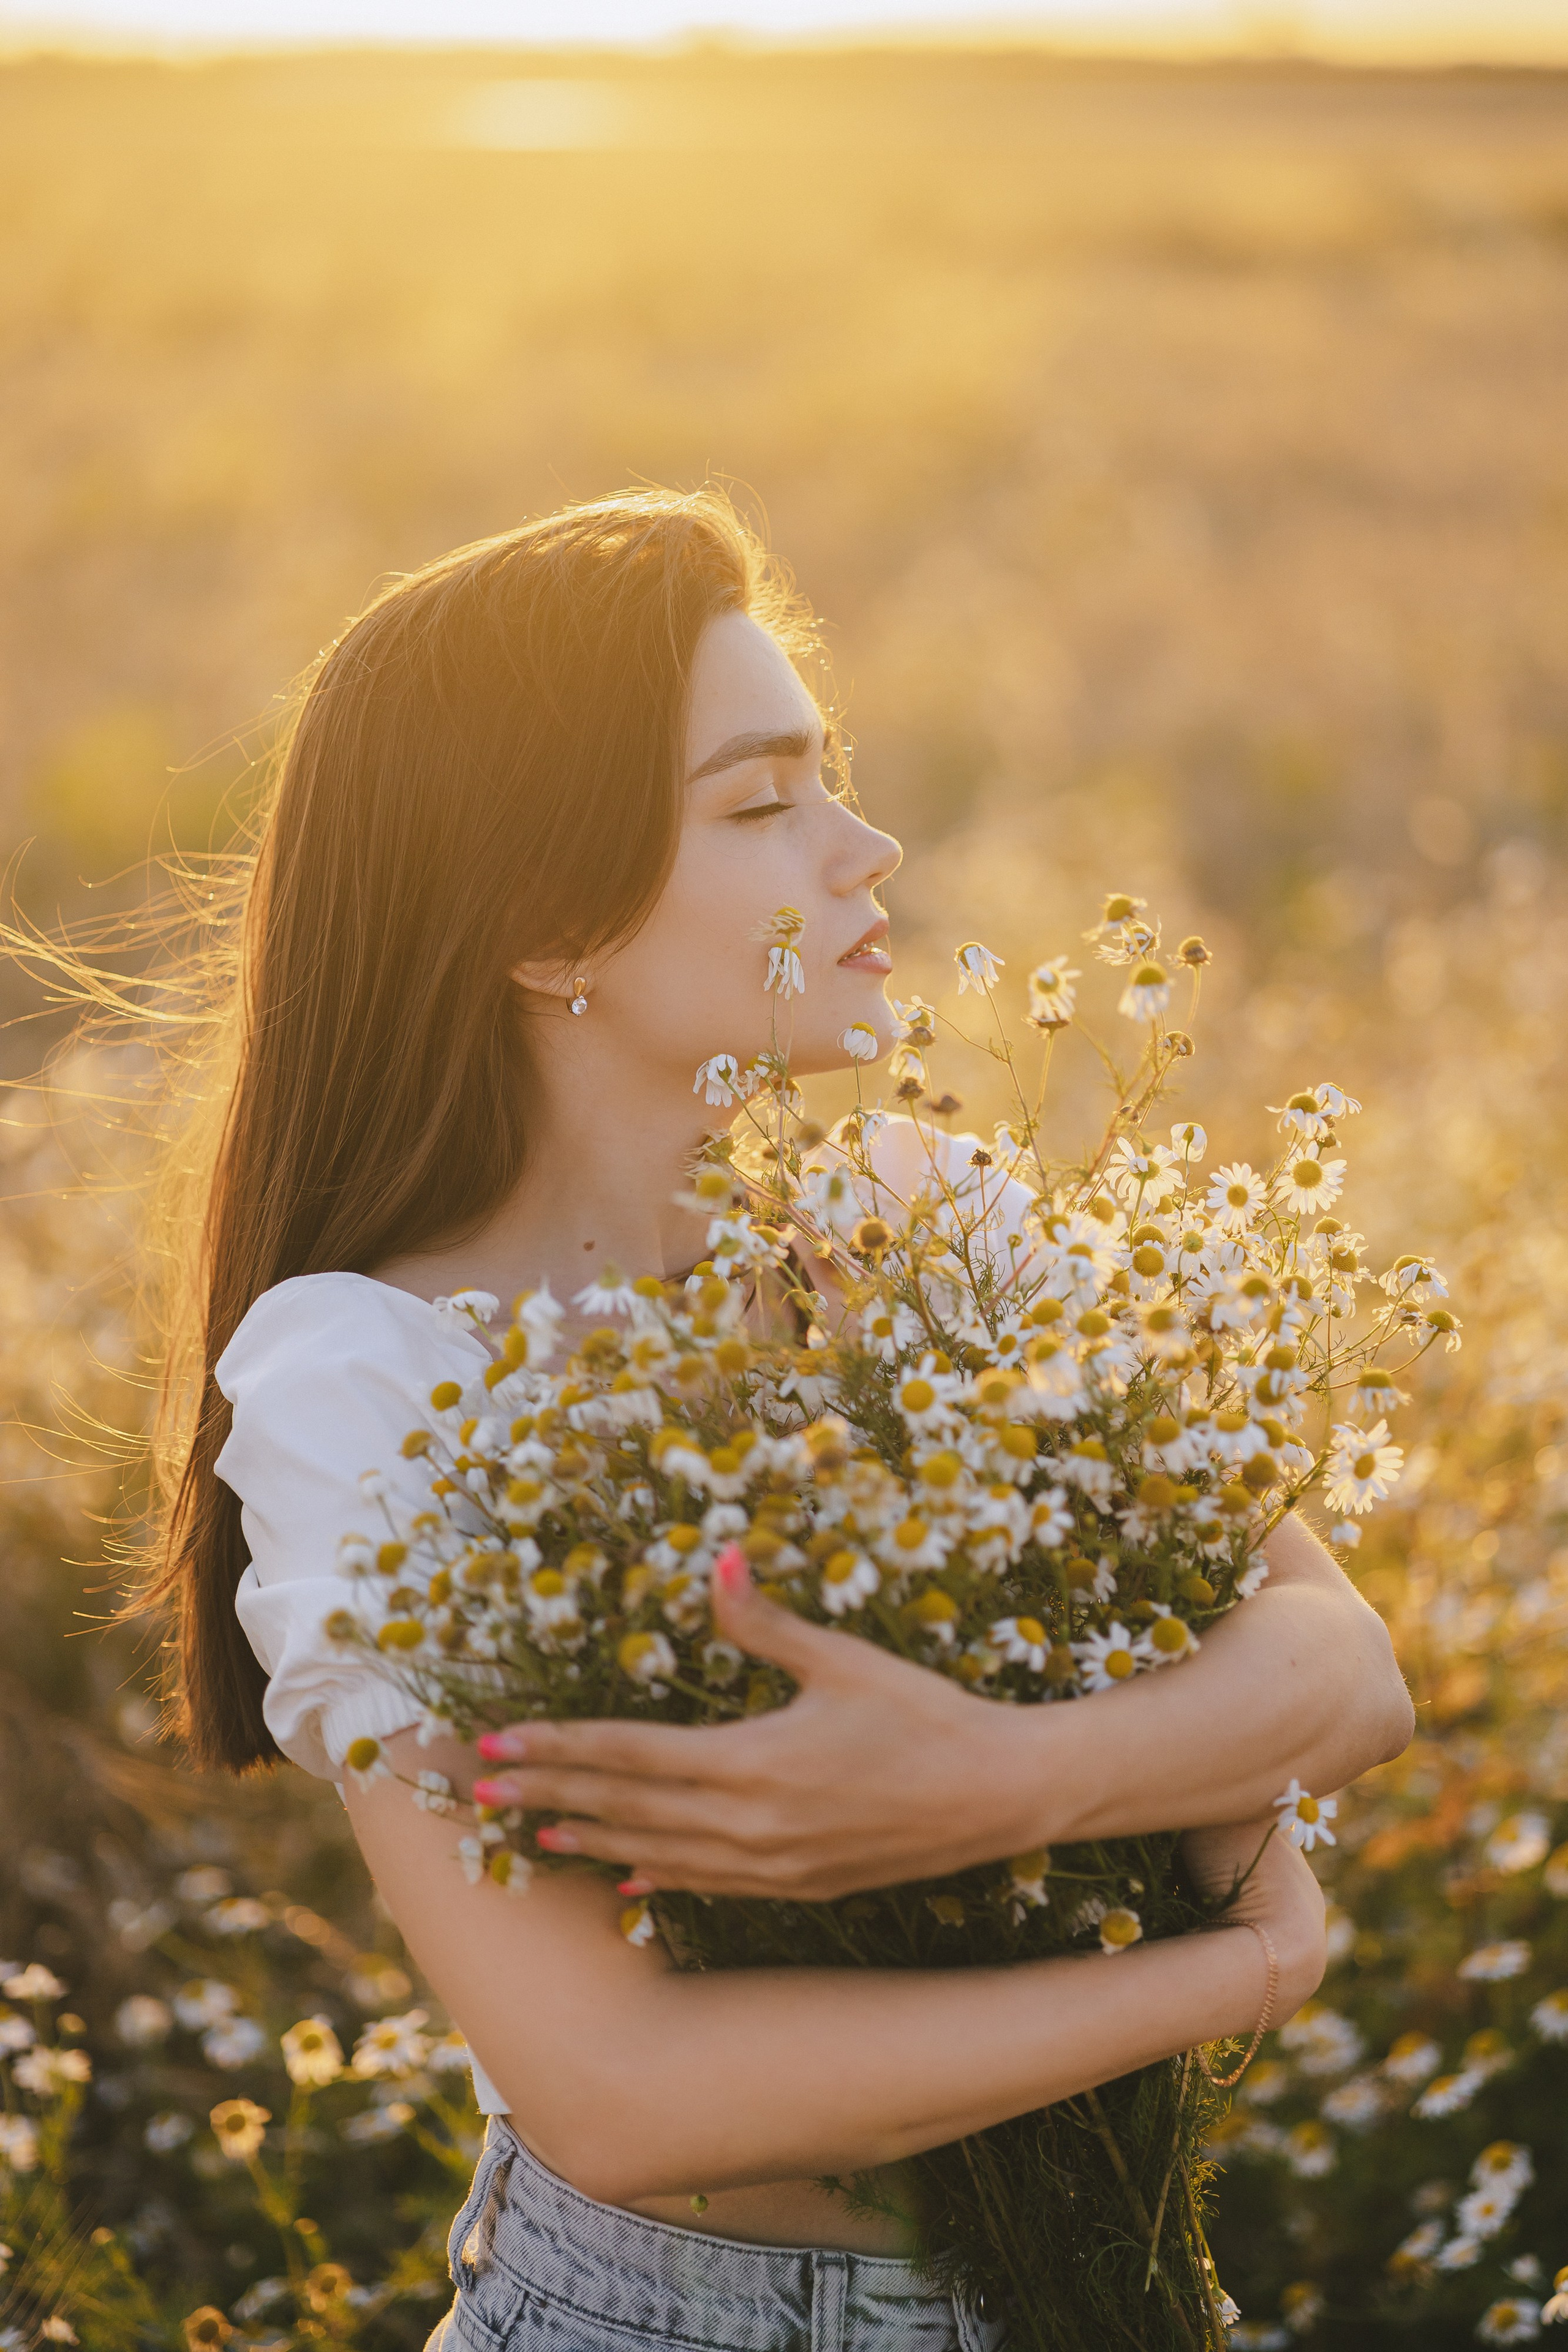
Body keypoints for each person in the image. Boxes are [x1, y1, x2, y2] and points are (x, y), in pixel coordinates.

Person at [163, 489, 1411, 2351]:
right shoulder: (373, 1378)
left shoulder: (914, 1214)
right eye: (763, 805)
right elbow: (625, 2090)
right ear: (539, 917)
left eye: (829, 782)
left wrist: (1002, 1778)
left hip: (1118, 2283)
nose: (868, 847)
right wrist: (1237, 1966)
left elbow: (1340, 1667)